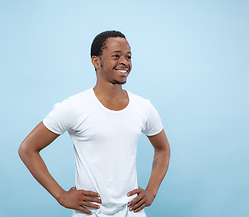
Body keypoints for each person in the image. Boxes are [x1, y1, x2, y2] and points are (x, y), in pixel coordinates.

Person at [18, 30, 171, 217]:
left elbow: (163, 149)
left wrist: (151, 191)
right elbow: (27, 149)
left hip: (132, 213)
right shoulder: (75, 107)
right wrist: (61, 196)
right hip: (90, 213)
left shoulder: (143, 107)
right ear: (96, 61)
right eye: (116, 56)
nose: (124, 61)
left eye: (128, 56)